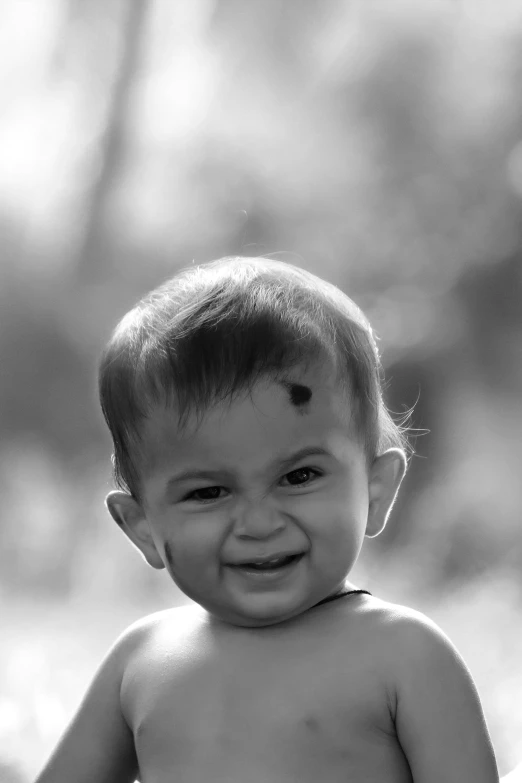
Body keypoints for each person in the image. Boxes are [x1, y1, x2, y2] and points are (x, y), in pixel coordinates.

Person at [35, 257, 499, 783]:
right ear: (142, 527)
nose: (258, 522)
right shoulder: (140, 662)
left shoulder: (405, 657)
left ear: (376, 488)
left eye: (299, 477)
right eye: (208, 492)